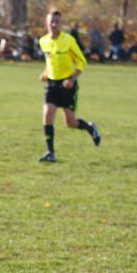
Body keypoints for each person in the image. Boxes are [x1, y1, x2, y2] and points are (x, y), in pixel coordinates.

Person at [37, 10, 101, 163]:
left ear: (61, 23)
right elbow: (50, 61)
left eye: (57, 21)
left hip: (67, 85)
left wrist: (72, 78)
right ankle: (50, 152)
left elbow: (81, 62)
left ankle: (90, 128)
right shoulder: (43, 41)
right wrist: (46, 72)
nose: (54, 24)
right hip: (52, 84)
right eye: (51, 21)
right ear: (47, 22)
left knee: (70, 123)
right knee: (47, 114)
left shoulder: (69, 40)